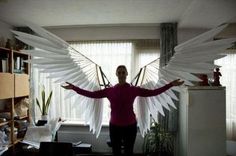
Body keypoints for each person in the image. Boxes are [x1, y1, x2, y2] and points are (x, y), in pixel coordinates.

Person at [61, 65, 184, 156]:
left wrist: (171, 84)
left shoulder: (134, 89)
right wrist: (74, 88)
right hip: (114, 126)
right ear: (116, 74)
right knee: (116, 152)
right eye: (119, 72)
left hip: (130, 126)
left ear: (126, 74)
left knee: (129, 151)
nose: (121, 74)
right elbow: (91, 94)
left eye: (123, 72)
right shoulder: (109, 90)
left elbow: (153, 92)